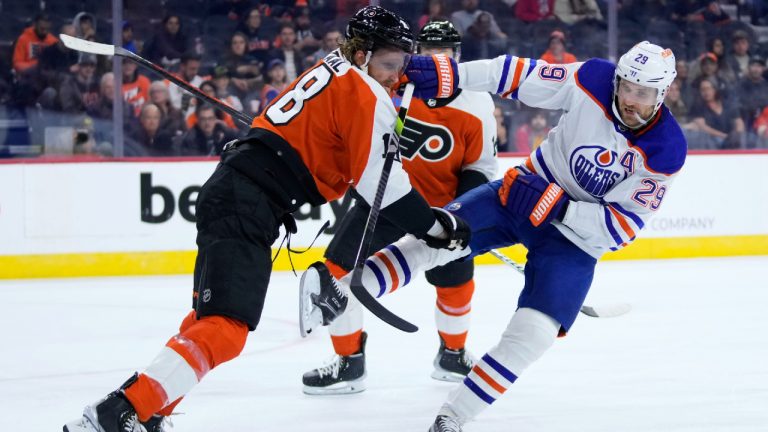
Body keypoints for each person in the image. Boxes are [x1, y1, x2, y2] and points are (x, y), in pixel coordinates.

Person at [63, 6, 464, 432]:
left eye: (403, 66)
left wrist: (412, 71)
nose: (395, 76)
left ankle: (147, 413)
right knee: (226, 330)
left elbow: (323, 126)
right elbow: (386, 190)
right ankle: (116, 413)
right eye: (389, 64)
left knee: (204, 324)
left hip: (233, 189)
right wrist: (439, 229)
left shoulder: (331, 67)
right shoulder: (366, 96)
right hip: (249, 201)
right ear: (363, 55)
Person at [299, 41, 686, 431]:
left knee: (534, 335)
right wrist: (454, 76)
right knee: (437, 239)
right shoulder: (594, 79)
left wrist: (560, 207)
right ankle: (340, 294)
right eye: (626, 87)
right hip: (523, 192)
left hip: (575, 240)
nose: (629, 99)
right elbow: (516, 74)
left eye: (642, 93)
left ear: (663, 92)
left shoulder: (666, 149)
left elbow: (621, 228)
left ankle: (452, 417)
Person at [300, 20, 498, 395]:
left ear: (459, 56)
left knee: (456, 285)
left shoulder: (477, 101)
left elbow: (480, 168)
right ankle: (349, 363)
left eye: (447, 53)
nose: (439, 60)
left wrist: (461, 214)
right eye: (429, 53)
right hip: (385, 198)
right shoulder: (391, 86)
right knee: (337, 272)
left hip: (444, 209)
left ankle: (452, 356)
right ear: (416, 55)